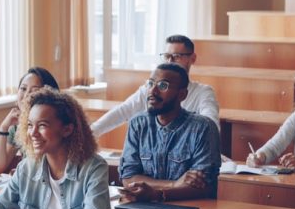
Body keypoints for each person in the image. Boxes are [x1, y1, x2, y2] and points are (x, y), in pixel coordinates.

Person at [0, 89, 116, 209]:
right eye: (30, 125)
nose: (33, 133)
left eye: (42, 125)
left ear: (67, 129)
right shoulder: (27, 168)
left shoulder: (94, 168)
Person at [118, 63, 220, 202]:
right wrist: (174, 184)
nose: (152, 91)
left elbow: (203, 185)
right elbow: (128, 178)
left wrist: (157, 194)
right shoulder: (138, 123)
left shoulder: (203, 127)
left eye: (162, 86)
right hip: (144, 205)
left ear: (182, 94)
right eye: (150, 83)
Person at [90, 34, 220, 138]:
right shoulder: (151, 88)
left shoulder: (203, 92)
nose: (170, 62)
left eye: (177, 56)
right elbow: (124, 110)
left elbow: (211, 124)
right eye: (167, 56)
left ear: (192, 58)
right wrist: (91, 133)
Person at [0, 67, 60, 175]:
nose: (26, 95)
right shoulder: (17, 127)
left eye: (34, 90)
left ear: (48, 94)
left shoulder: (53, 125)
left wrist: (25, 172)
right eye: (23, 89)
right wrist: (4, 127)